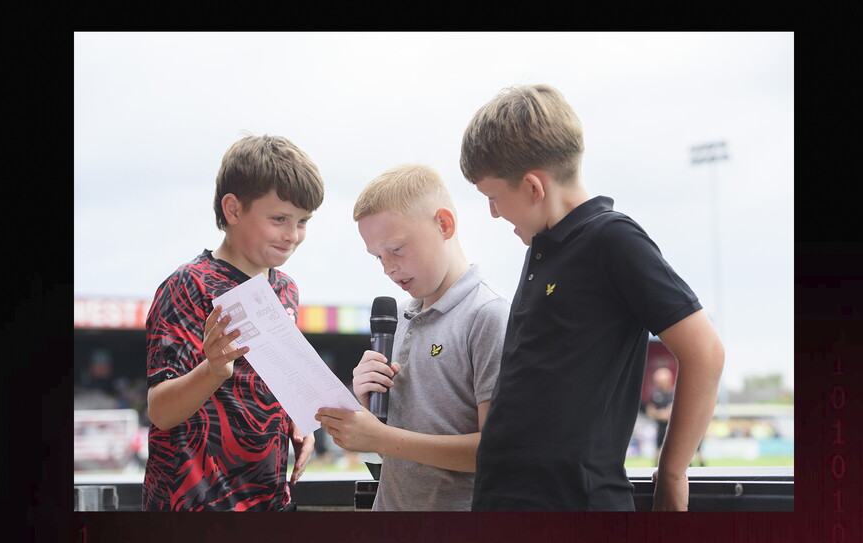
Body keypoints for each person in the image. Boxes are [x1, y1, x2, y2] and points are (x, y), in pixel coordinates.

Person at [460, 84, 725, 511]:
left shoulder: (612, 238)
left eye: (492, 197)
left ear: (532, 187)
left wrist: (673, 473)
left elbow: (706, 351)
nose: (493, 212)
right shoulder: (542, 248)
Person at [142, 134, 323, 511]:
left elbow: (267, 387)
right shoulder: (188, 285)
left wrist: (296, 422)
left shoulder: (286, 290)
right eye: (280, 219)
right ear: (233, 210)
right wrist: (212, 370)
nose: (293, 235)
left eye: (302, 221)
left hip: (270, 502)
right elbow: (160, 411)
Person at [315, 164, 509, 511]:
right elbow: (397, 436)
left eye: (397, 249)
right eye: (378, 256)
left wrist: (382, 438)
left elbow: (497, 451)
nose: (387, 267)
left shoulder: (488, 315)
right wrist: (365, 406)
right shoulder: (399, 317)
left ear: (444, 224)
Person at [645, 367, 675, 465]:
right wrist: (659, 414)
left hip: (675, 427)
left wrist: (669, 413)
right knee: (658, 451)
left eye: (660, 381)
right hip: (661, 427)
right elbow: (650, 410)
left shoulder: (675, 393)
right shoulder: (655, 395)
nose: (658, 384)